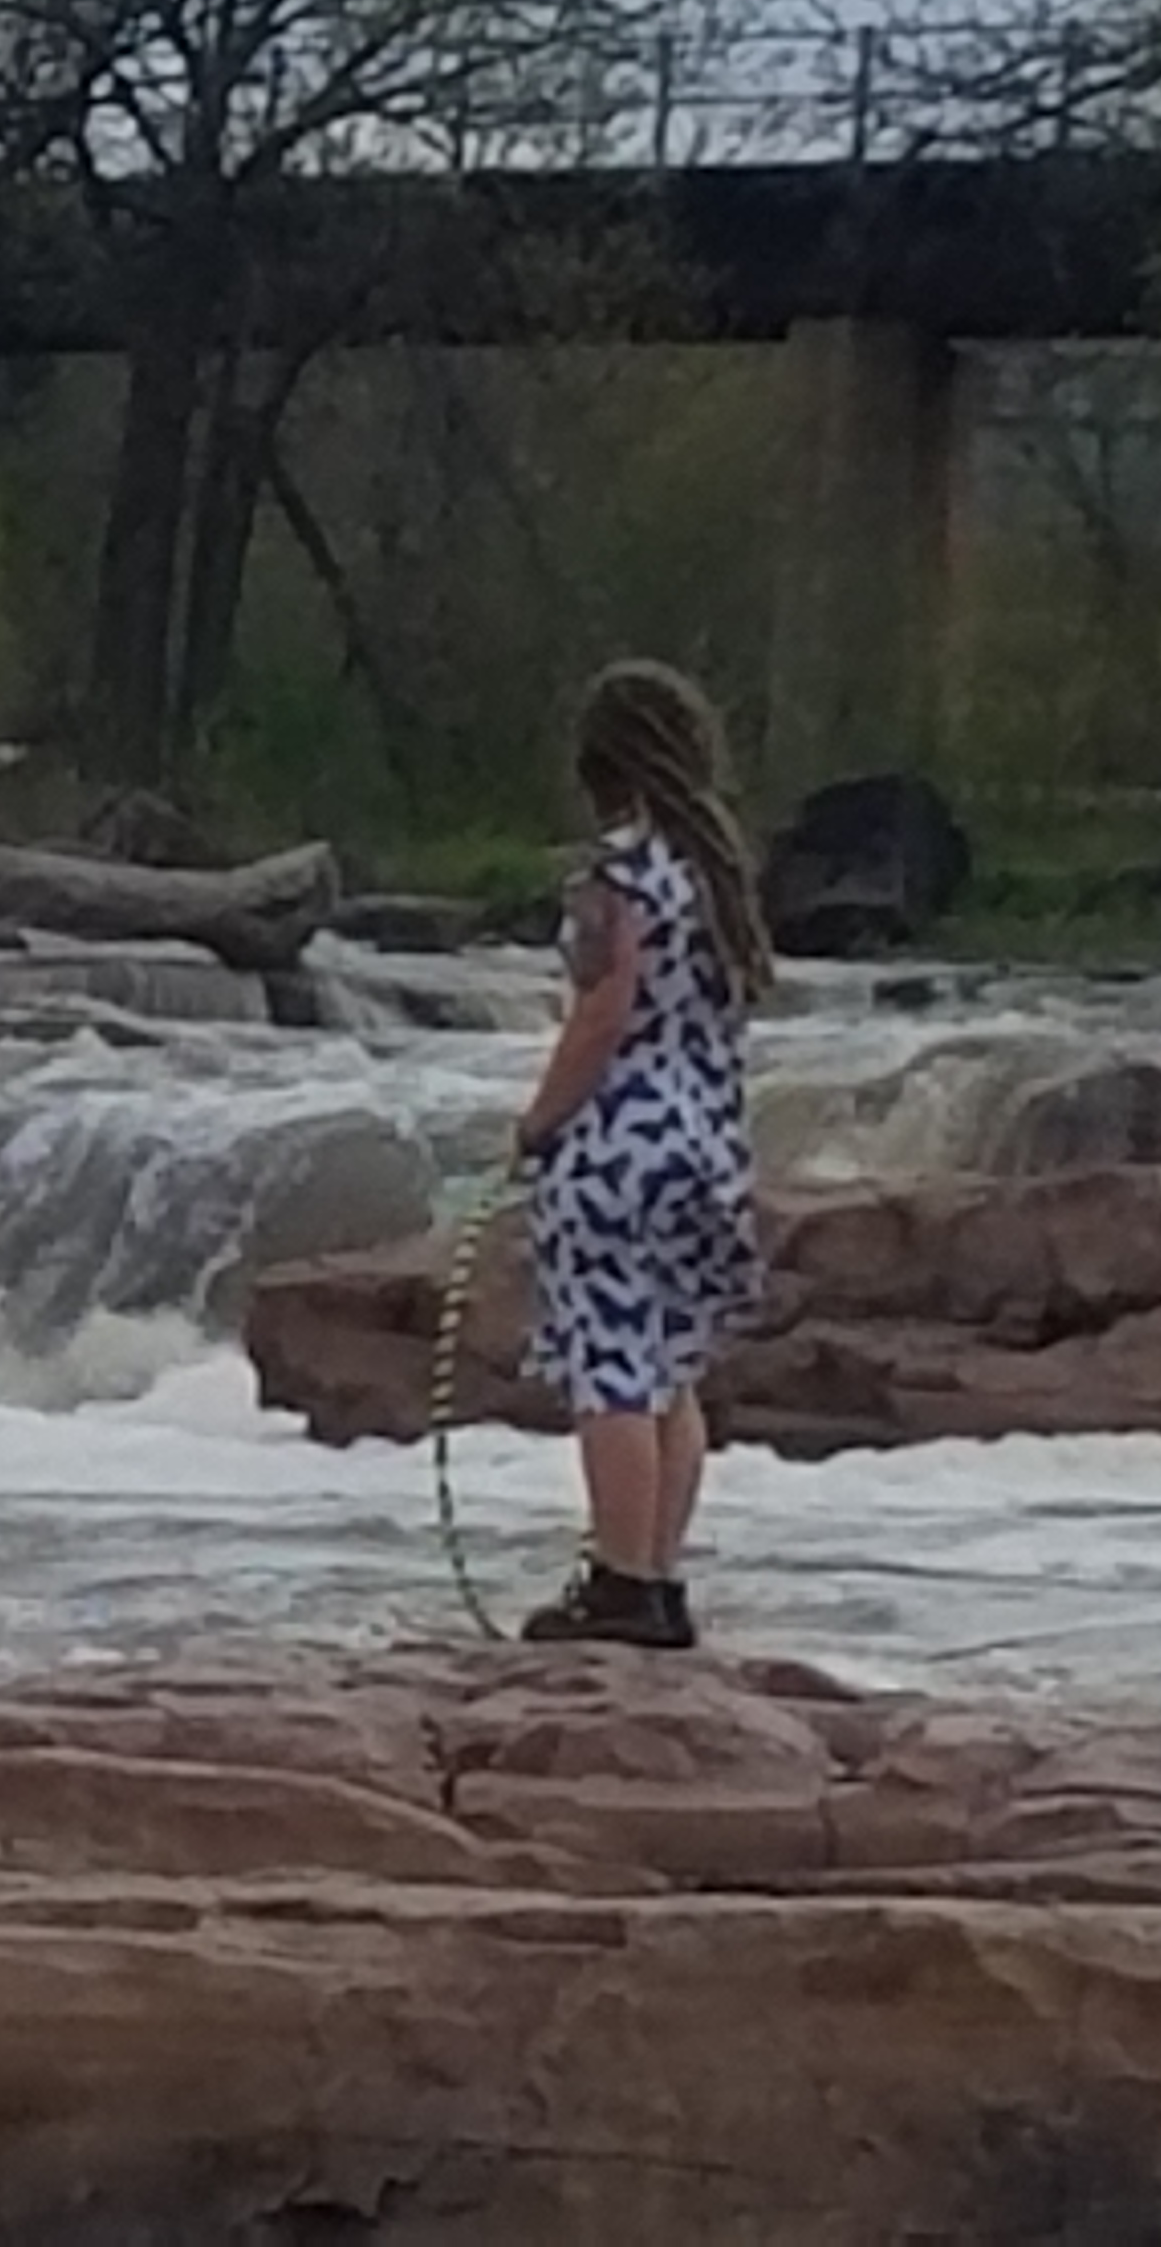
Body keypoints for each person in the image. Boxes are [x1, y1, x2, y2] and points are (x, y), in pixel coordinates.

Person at [508, 660, 773, 1650]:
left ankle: (620, 1582)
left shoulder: (610, 878)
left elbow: (600, 1013)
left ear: (598, 762)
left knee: (609, 1360)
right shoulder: (716, 873)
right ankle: (658, 1578)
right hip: (707, 1145)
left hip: (617, 1149)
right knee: (669, 1366)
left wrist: (538, 1126)